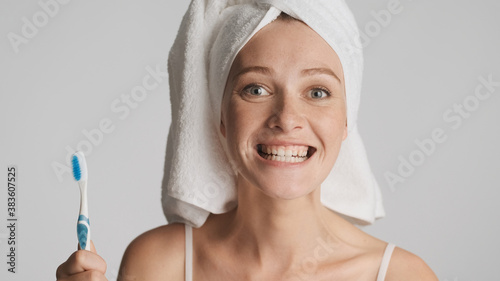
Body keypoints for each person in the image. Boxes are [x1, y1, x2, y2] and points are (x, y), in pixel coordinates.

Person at [56, 1, 439, 280]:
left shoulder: (402, 275)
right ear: (220, 117)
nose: (287, 119)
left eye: (318, 92)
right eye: (255, 89)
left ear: (346, 119)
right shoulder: (158, 264)